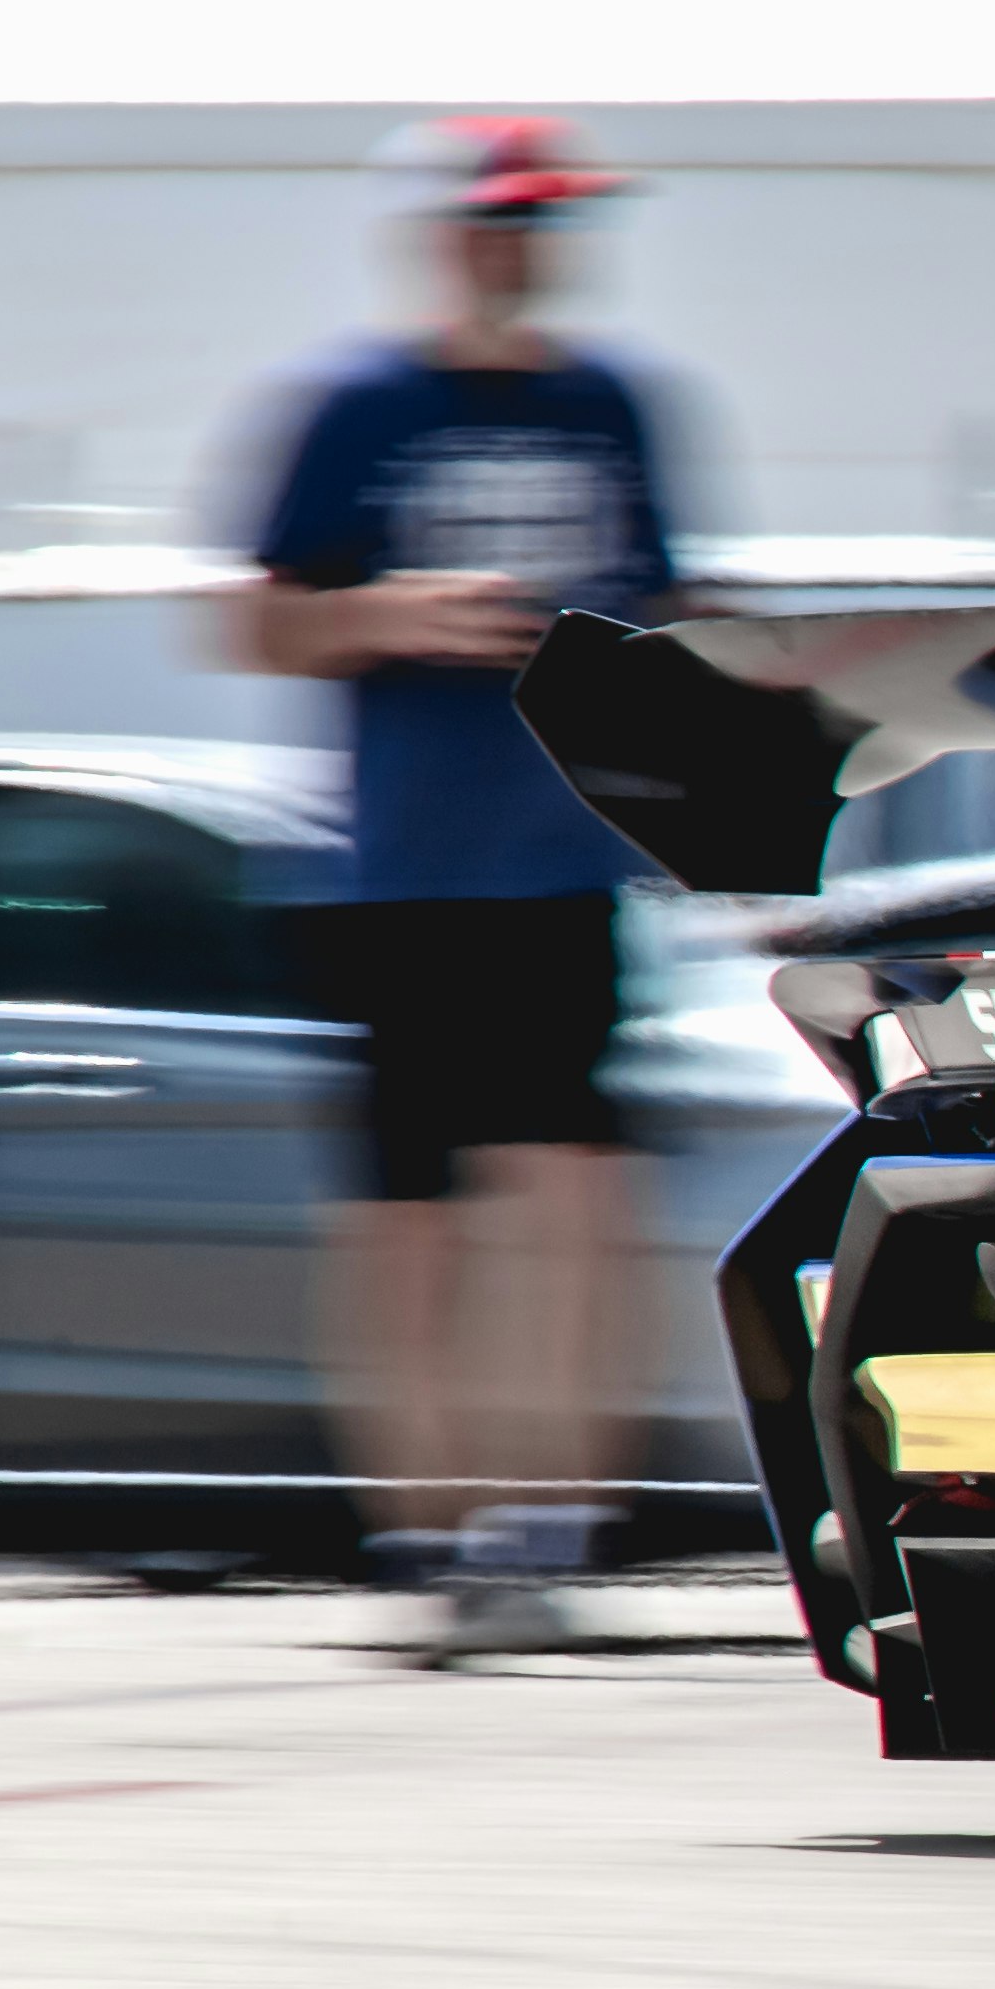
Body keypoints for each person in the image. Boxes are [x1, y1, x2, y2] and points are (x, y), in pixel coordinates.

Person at [209, 114, 699, 1658]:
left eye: (548, 223)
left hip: (563, 868)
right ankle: (424, 1540)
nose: (525, 248)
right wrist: (391, 614)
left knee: (572, 1205)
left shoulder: (615, 403)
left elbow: (671, 607)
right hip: (404, 881)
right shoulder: (357, 405)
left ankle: (546, 1534)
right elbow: (257, 624)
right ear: (443, 235)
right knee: (409, 1225)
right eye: (500, 221)